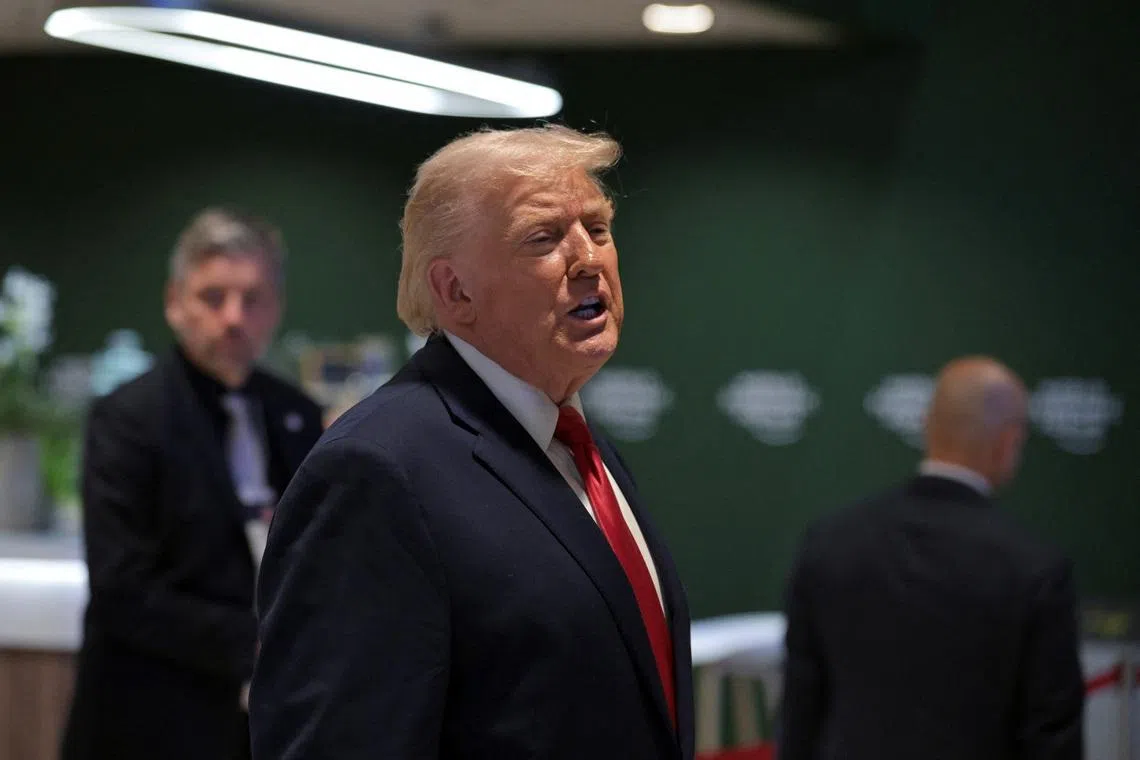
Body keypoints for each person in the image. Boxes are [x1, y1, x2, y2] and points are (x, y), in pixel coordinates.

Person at [250, 124, 695, 760]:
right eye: (543, 238)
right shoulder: (376, 472)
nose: (589, 258)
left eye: (597, 229)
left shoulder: (577, 444)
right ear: (455, 291)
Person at [62, 208, 324, 760]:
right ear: (174, 302)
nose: (234, 318)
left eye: (252, 299)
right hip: (152, 715)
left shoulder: (296, 413)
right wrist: (254, 643)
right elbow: (121, 587)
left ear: (274, 308)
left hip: (269, 723)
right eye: (213, 297)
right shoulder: (128, 416)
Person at [778, 356, 1085, 760]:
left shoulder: (829, 543)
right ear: (1009, 442)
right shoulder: (1034, 567)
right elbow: (1051, 736)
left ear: (926, 425)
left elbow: (800, 713)